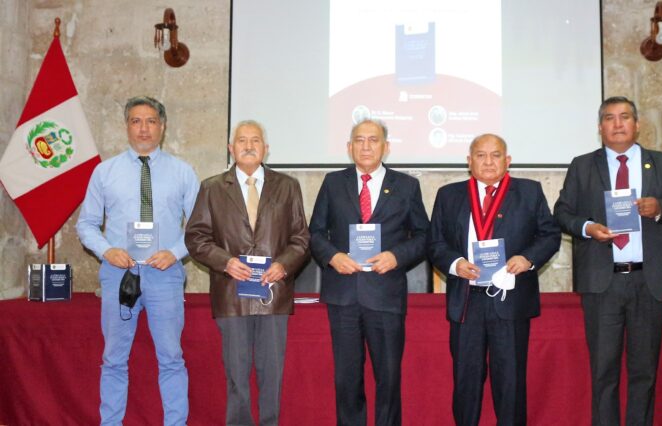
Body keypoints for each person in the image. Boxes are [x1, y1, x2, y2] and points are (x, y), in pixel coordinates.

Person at [554, 96, 662, 426]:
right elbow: (562, 213)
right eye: (609, 118)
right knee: (603, 371)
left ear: (637, 124)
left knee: (644, 372)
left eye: (625, 117)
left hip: (649, 280)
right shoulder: (582, 166)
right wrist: (588, 228)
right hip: (603, 282)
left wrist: (659, 208)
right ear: (600, 127)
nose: (617, 124)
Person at [76, 96, 200, 425]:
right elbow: (86, 224)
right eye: (136, 121)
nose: (143, 128)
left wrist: (174, 252)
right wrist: (107, 251)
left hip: (165, 274)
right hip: (119, 274)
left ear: (163, 126)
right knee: (113, 359)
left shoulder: (183, 172)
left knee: (171, 358)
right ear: (126, 126)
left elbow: (200, 227)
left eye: (151, 121)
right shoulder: (105, 172)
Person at [428, 134, 561, 426]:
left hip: (510, 301)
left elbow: (550, 235)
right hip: (467, 301)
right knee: (466, 381)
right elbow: (435, 243)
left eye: (496, 155)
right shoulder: (449, 195)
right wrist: (455, 264)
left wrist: (527, 259)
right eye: (480, 155)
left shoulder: (529, 192)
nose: (488, 162)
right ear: (469, 161)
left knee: (510, 382)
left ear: (507, 160)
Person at [184, 120, 310, 425]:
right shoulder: (212, 188)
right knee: (236, 376)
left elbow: (301, 239)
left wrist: (283, 264)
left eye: (255, 140)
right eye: (242, 140)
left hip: (273, 294)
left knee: (272, 375)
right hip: (231, 294)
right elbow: (196, 237)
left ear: (266, 148)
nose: (249, 146)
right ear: (231, 148)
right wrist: (225, 261)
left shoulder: (288, 186)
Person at [309, 118, 430, 426]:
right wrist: (333, 256)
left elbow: (423, 236)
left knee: (388, 378)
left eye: (373, 140)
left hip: (385, 294)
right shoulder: (333, 183)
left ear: (386, 147)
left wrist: (396, 256)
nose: (366, 146)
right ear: (349, 147)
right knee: (346, 379)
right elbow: (315, 233)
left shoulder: (406, 186)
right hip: (343, 294)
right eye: (359, 140)